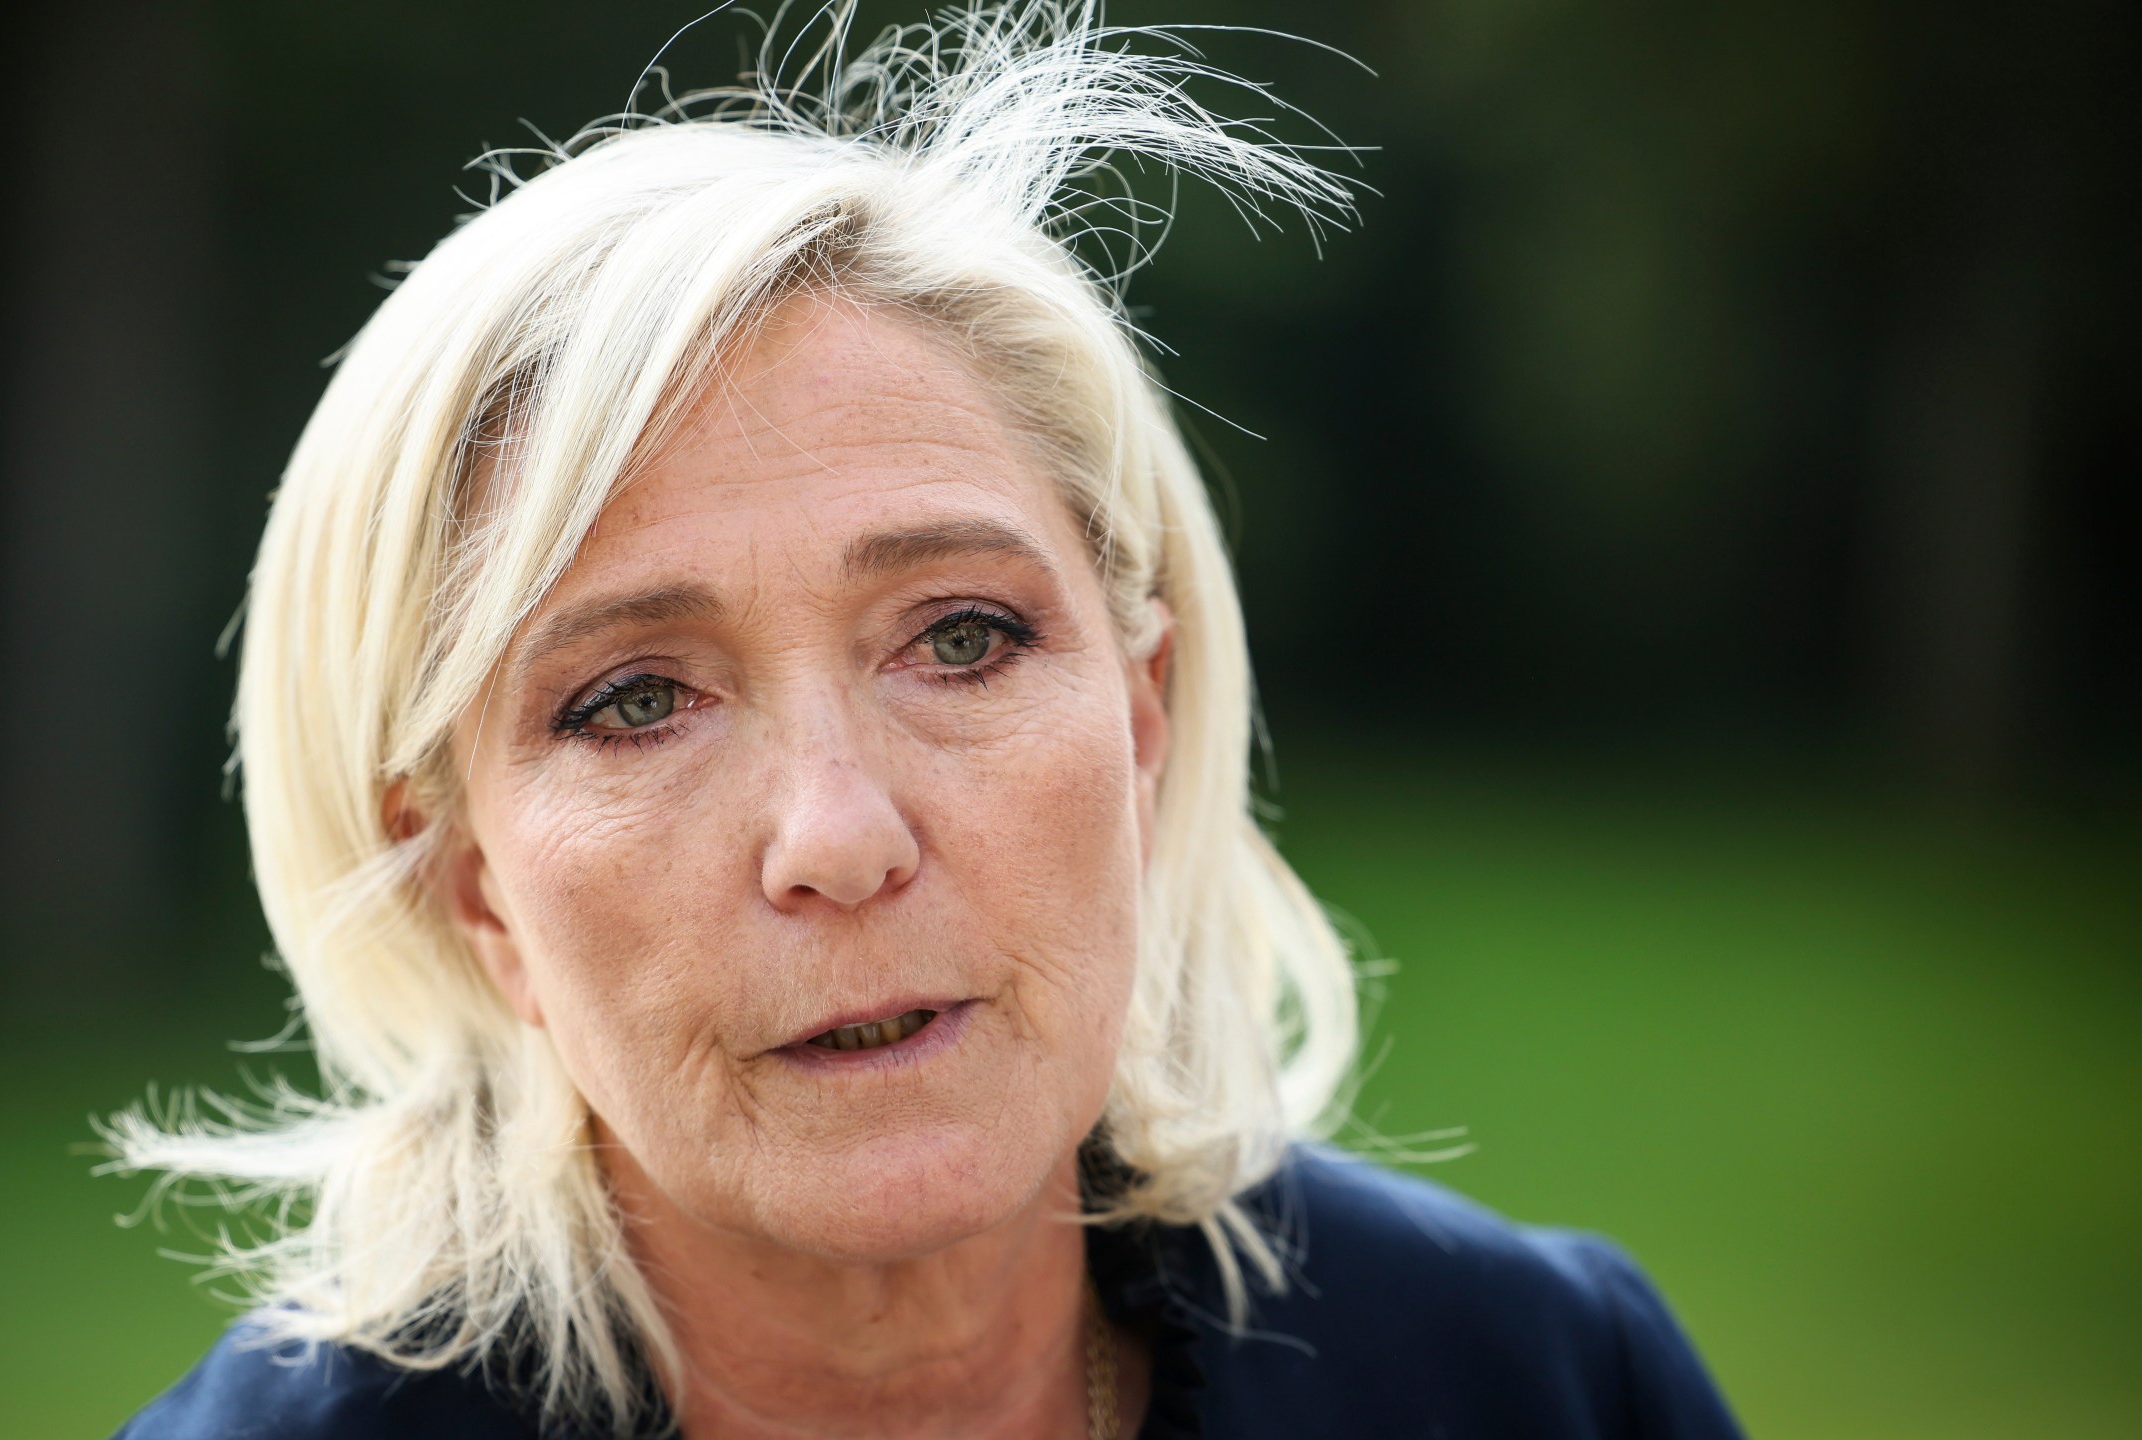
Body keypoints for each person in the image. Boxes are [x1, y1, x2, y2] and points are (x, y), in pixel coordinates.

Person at [107, 5, 1743, 1436]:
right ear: (472, 890)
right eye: (635, 702)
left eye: (961, 637)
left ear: (1142, 709)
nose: (838, 835)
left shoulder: (1547, 1380)